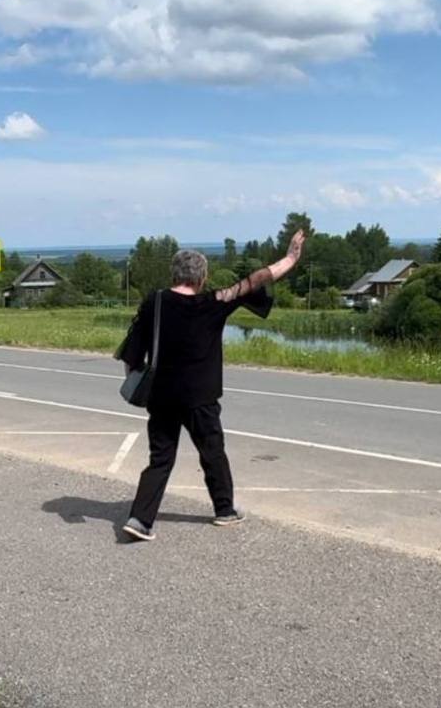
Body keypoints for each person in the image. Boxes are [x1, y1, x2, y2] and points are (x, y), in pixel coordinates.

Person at [115, 230, 306, 541]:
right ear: (202, 276)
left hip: (162, 396)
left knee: (160, 459)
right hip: (200, 397)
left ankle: (139, 520)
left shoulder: (156, 301)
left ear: (174, 273)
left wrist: (136, 387)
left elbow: (132, 352)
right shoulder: (214, 301)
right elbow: (255, 280)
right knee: (212, 452)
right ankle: (224, 510)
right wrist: (290, 258)